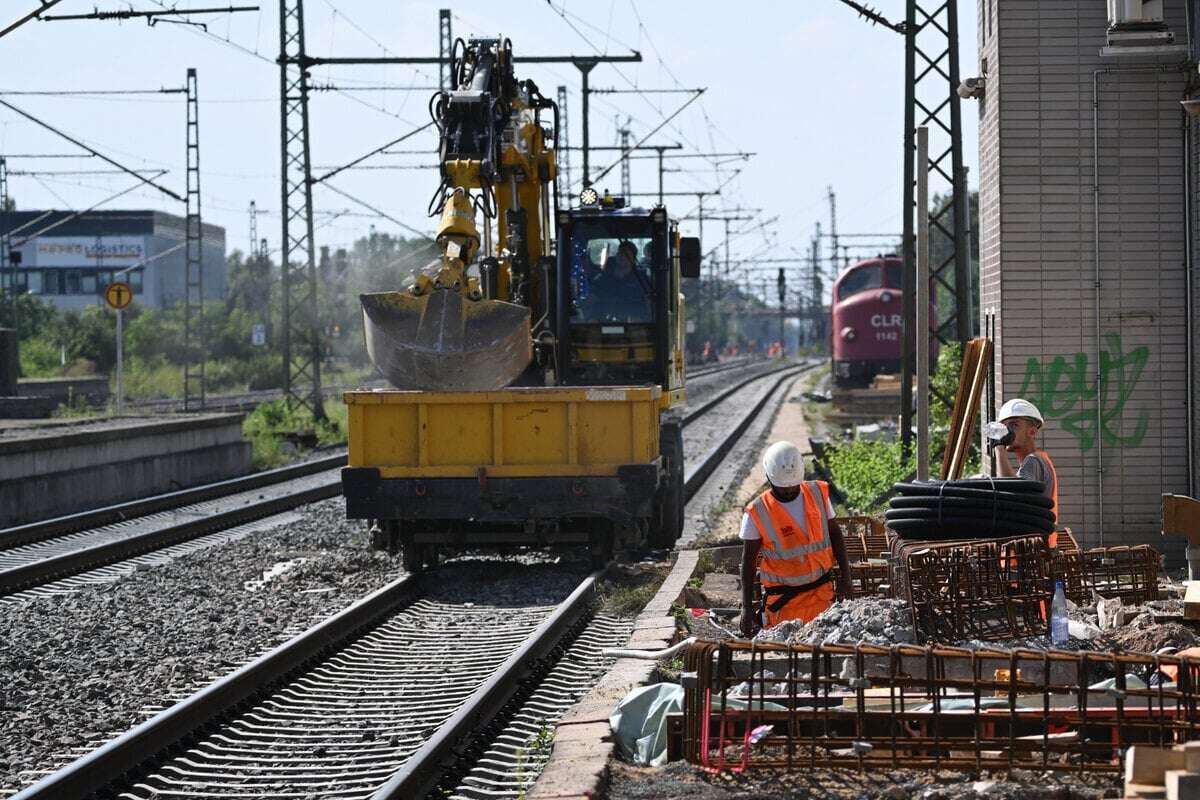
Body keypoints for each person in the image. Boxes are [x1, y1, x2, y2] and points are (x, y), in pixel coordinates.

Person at [739, 441, 852, 637]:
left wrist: (846, 576)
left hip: (822, 599)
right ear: (769, 477)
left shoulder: (817, 493)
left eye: (793, 486)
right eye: (783, 488)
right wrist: (746, 607)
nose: (789, 491)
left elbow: (835, 534)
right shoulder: (757, 512)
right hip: (784, 607)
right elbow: (748, 562)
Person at [994, 397, 1060, 546]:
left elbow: (1012, 494)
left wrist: (999, 449)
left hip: (1028, 557)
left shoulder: (1033, 461)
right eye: (1004, 426)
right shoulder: (1040, 459)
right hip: (1035, 553)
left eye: (1014, 425)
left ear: (1032, 432)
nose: (1007, 432)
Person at [586, 240, 651, 321]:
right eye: (620, 253)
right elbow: (591, 300)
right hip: (603, 325)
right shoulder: (604, 279)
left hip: (635, 326)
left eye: (626, 254)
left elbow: (649, 303)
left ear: (633, 258)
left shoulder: (642, 279)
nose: (622, 256)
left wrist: (647, 320)